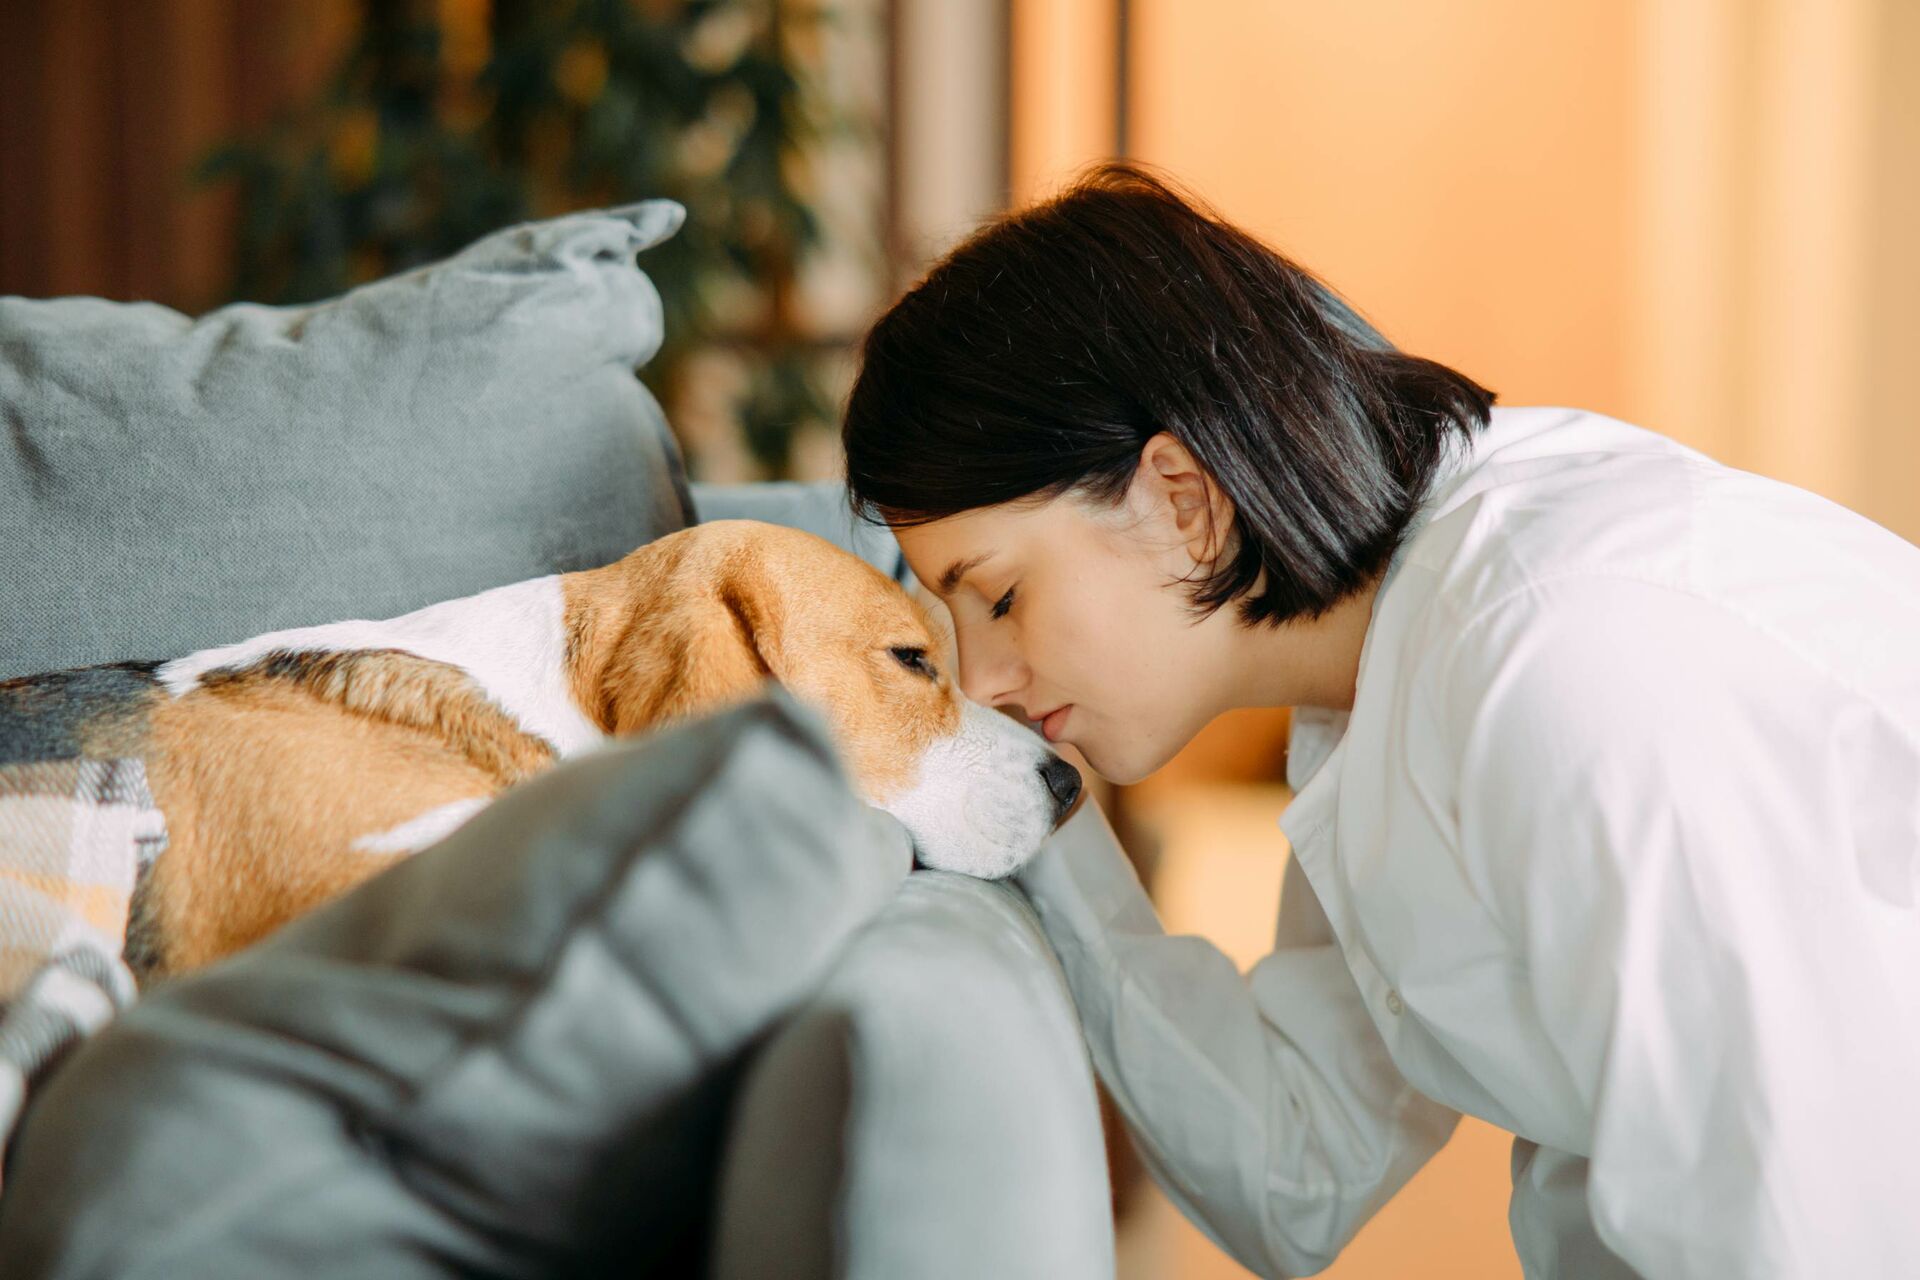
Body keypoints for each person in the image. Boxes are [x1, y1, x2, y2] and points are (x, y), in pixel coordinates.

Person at [838, 161, 1920, 1278]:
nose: (983, 682)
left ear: (1182, 499)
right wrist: (1014, 798)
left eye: (1001, 596)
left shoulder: (1559, 660)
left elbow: (1790, 1238)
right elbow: (1298, 1174)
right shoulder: (1371, 687)